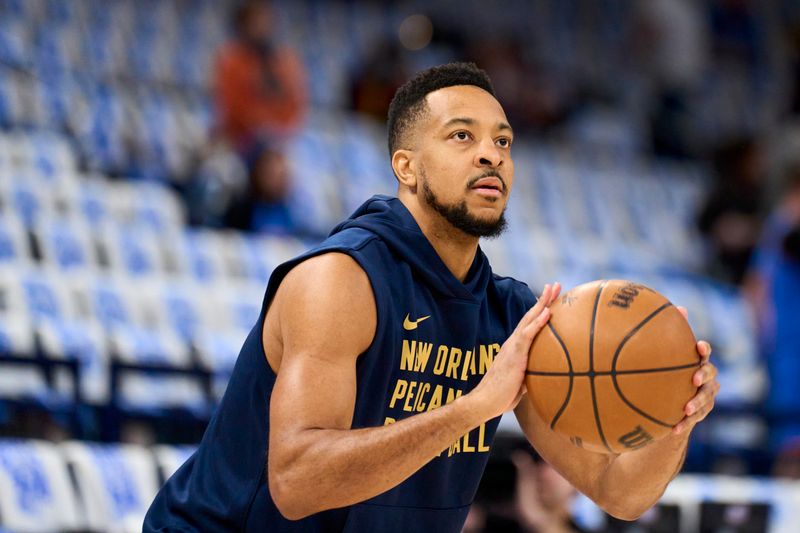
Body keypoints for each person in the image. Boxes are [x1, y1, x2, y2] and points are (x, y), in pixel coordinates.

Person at [143, 63, 718, 532]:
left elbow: (619, 493)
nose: (491, 154)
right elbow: (296, 484)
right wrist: (473, 408)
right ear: (407, 167)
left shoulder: (509, 316)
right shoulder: (340, 281)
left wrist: (676, 417)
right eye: (462, 136)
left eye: (503, 141)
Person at [214, 1, 307, 152]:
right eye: (255, 21)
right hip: (240, 140)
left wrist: (274, 130)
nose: (262, 26)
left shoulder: (286, 61)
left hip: (279, 141)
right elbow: (232, 107)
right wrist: (259, 126)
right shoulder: (232, 60)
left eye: (265, 19)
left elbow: (295, 104)